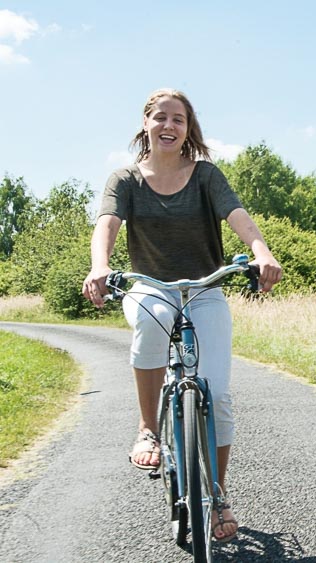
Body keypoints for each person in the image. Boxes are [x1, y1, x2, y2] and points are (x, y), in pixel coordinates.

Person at [82, 88, 282, 543]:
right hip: (150, 286)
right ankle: (148, 429)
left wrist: (262, 252)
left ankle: (217, 493)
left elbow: (237, 215)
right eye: (161, 117)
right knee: (150, 319)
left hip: (204, 289)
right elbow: (107, 224)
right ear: (146, 123)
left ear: (189, 129)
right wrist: (100, 266)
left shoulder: (206, 175)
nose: (169, 126)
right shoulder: (125, 179)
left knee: (219, 396)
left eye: (179, 119)